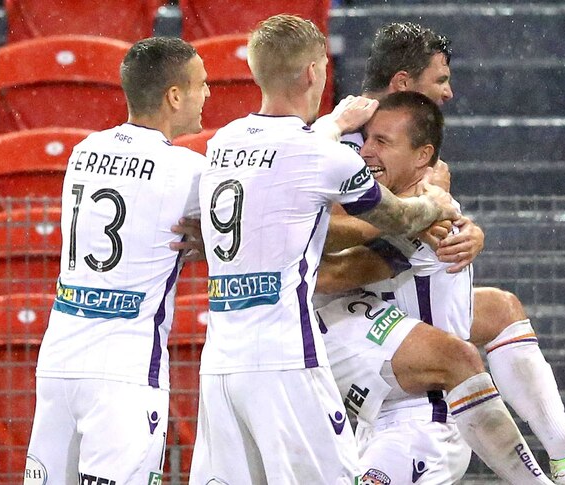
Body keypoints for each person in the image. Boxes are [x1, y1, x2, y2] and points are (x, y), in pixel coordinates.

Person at [318, 22, 565, 485]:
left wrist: (464, 230)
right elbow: (323, 240)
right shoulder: (340, 144)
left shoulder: (417, 156)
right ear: (402, 83)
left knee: (498, 308)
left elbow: (434, 213)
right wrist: (409, 226)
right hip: (334, 321)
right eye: (440, 80)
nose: (450, 92)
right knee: (456, 359)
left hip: (381, 317)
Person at [188, 14, 460, 485]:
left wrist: (334, 123)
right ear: (315, 72)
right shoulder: (323, 155)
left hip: (221, 365)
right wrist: (434, 202)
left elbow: (276, 173)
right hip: (289, 360)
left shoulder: (222, 143)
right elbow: (397, 218)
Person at [319, 91, 557, 484]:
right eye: (367, 139)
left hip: (422, 418)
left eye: (383, 142)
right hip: (381, 411)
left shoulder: (431, 222)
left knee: (482, 326)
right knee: (499, 305)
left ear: (421, 157)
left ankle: (558, 454)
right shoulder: (423, 207)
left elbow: (332, 274)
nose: (366, 152)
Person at [24, 37, 210, 484]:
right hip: (123, 371)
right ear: (174, 96)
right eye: (203, 84)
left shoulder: (84, 151)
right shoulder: (187, 169)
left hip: (59, 360)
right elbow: (247, 232)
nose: (209, 94)